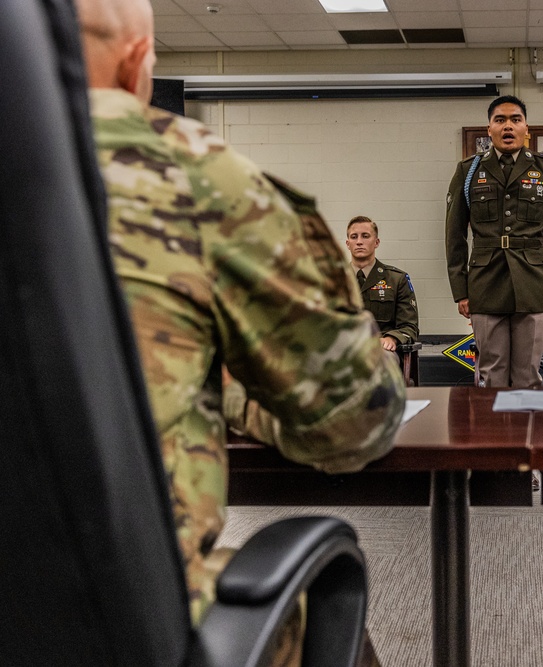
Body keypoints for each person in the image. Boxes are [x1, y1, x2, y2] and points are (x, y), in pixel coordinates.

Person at [76, 0, 405, 663]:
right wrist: (227, 392)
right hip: (130, 615)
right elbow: (355, 422)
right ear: (138, 62)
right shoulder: (192, 173)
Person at [445, 95, 543, 388]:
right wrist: (460, 290)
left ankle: (526, 435)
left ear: (525, 128)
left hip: (534, 283)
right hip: (485, 283)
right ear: (488, 129)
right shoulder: (468, 171)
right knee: (491, 375)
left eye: (515, 119)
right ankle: (493, 436)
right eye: (500, 120)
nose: (508, 126)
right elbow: (454, 236)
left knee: (528, 376)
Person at [347, 215, 419, 352]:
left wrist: (391, 338)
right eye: (354, 237)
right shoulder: (333, 280)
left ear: (377, 242)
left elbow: (409, 327)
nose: (359, 242)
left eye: (365, 236)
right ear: (347, 243)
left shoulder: (397, 279)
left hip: (382, 350)